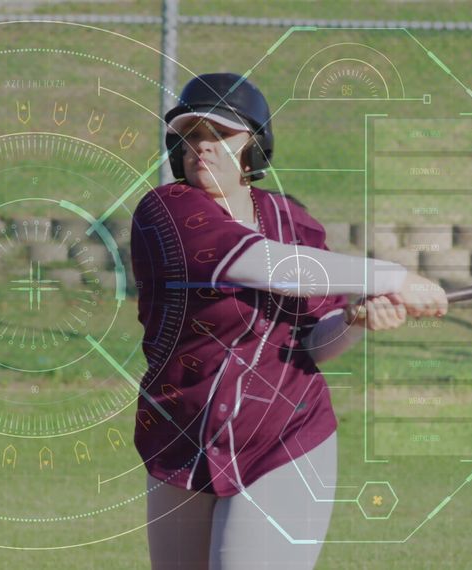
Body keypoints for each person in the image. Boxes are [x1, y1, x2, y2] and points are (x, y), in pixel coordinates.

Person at [131, 73, 448, 569]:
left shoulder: (291, 222)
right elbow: (270, 267)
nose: (202, 147)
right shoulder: (167, 212)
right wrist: (394, 276)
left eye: (220, 135)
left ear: (254, 148)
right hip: (180, 436)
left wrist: (354, 319)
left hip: (284, 436)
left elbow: (313, 344)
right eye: (191, 136)